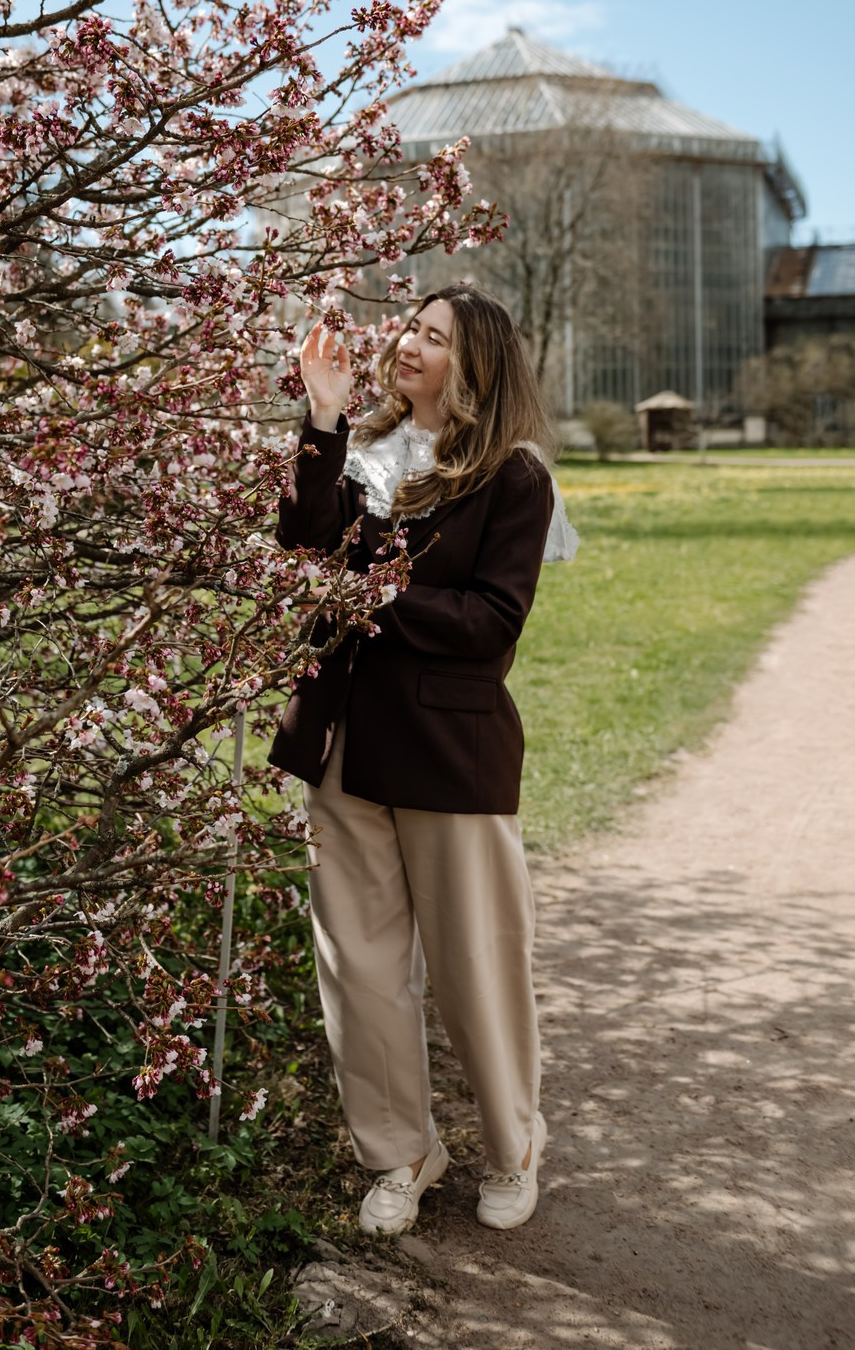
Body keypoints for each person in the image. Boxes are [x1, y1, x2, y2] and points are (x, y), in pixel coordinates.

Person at [269, 282, 576, 1236]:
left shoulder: (513, 478)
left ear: (474, 364)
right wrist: (321, 416)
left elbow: (492, 622)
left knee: (476, 964)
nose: (407, 342)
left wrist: (370, 597)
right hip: (341, 738)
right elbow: (301, 537)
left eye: (433, 337)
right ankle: (400, 1154)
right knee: (357, 967)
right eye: (410, 325)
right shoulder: (360, 450)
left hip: (448, 749)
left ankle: (513, 1146)